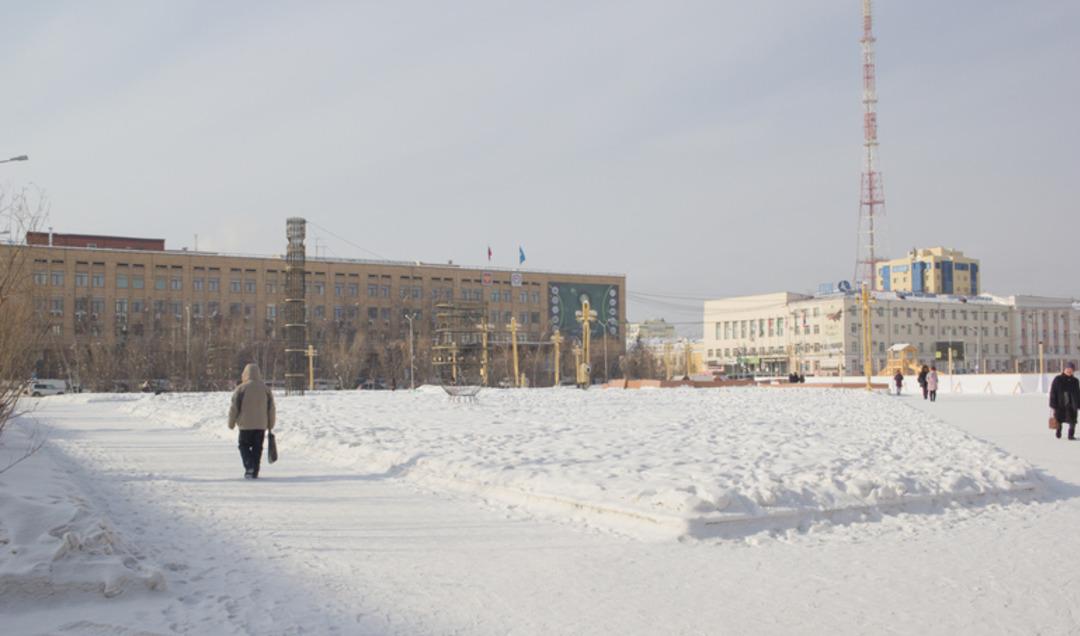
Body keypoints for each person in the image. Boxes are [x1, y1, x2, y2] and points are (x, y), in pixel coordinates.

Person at [228, 363, 276, 478]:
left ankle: (249, 465)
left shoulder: (241, 389)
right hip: (261, 425)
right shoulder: (266, 389)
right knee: (257, 447)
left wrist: (231, 423)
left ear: (245, 374)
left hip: (245, 425)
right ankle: (255, 470)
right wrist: (270, 424)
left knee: (243, 445)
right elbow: (271, 408)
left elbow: (234, 407)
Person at [1049, 362, 1080, 440]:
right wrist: (1053, 403)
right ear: (1064, 370)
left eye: (1071, 369)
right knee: (1059, 419)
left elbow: (1078, 393)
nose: (1069, 371)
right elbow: (1053, 392)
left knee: (1073, 421)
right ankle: (1058, 431)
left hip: (1072, 404)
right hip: (1060, 404)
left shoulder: (1075, 381)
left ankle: (1071, 435)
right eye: (1068, 369)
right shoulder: (1058, 379)